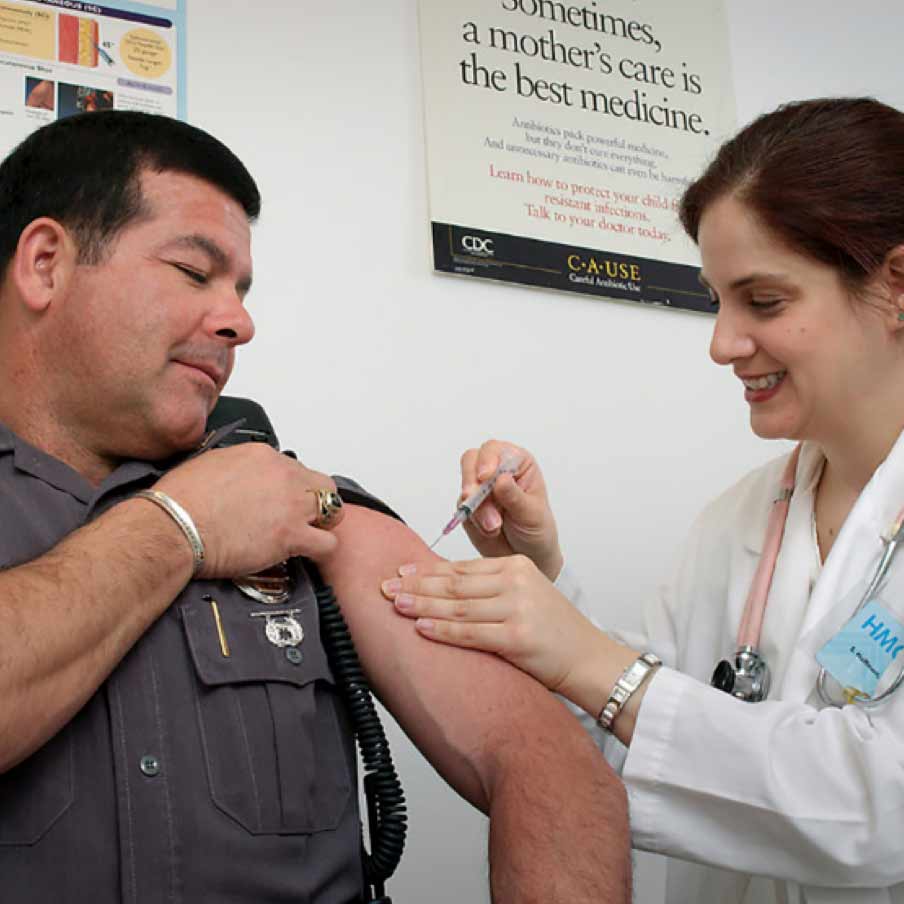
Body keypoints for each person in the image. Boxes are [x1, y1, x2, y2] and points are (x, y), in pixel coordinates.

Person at [0, 110, 631, 903]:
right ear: (47, 263)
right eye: (196, 274)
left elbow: (550, 763)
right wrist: (179, 529)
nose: (239, 320)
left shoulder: (295, 504)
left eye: (242, 289)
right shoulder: (211, 502)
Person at [382, 96, 904, 904]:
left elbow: (882, 812)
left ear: (897, 285)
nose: (723, 343)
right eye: (716, 300)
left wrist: (591, 660)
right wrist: (540, 584)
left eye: (763, 301)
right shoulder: (742, 518)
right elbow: (632, 741)